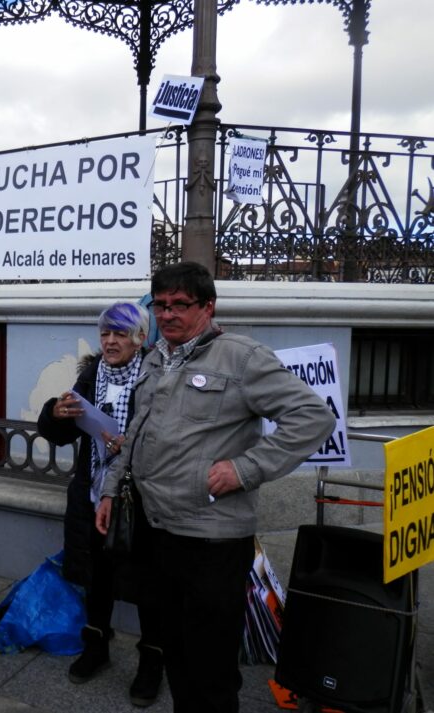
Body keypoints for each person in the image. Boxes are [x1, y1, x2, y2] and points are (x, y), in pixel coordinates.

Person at [95, 262, 334, 713]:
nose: (167, 315)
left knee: (211, 665)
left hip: (212, 541)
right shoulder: (155, 357)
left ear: (208, 306)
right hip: (158, 531)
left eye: (180, 305)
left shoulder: (241, 358)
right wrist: (110, 489)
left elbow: (313, 418)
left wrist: (244, 470)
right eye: (160, 305)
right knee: (177, 652)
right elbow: (135, 434)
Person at [37, 301, 164, 705]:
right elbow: (60, 433)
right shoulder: (92, 375)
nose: (111, 341)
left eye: (121, 334)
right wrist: (56, 414)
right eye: (106, 333)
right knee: (97, 577)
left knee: (149, 583)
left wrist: (132, 444)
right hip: (92, 494)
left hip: (142, 499)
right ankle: (96, 648)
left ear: (140, 338)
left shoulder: (156, 375)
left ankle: (152, 664)